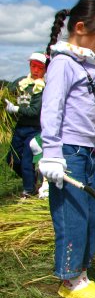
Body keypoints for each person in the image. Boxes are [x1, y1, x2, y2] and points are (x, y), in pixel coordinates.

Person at [38, 0, 95, 298]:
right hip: (67, 152)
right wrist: (51, 153)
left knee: (91, 215)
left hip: (83, 151)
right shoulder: (63, 64)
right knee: (72, 217)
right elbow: (52, 109)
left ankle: (81, 273)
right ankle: (70, 281)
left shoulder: (87, 66)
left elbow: (89, 114)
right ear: (81, 29)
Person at [4, 52, 48, 197]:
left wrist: (17, 108)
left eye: (40, 68)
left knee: (27, 160)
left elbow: (35, 111)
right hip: (20, 128)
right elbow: (7, 93)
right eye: (33, 66)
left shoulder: (43, 88)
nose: (35, 70)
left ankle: (28, 190)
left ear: (45, 70)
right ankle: (33, 179)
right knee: (11, 159)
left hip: (35, 129)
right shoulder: (21, 82)